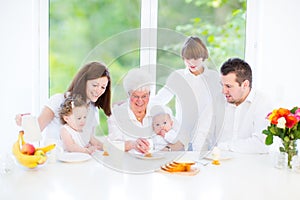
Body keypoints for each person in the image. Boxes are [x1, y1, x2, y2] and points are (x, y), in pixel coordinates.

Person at [15, 61, 112, 148]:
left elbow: (89, 140)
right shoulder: (58, 100)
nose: (99, 90)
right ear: (83, 82)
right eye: (95, 85)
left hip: (80, 160)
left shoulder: (93, 109)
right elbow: (36, 130)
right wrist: (23, 123)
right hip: (55, 160)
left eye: (103, 87)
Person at [154, 36, 221, 152]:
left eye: (195, 58)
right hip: (181, 139)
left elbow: (221, 106)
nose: (191, 62)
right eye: (187, 58)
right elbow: (159, 100)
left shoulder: (214, 78)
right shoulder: (178, 77)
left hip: (207, 138)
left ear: (203, 56)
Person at [216, 58, 272, 153]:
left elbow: (262, 143)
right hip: (218, 162)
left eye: (228, 86)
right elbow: (203, 133)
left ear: (245, 85)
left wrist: (223, 147)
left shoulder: (262, 102)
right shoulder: (219, 100)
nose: (223, 91)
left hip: (249, 165)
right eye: (222, 85)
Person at [107, 68, 156, 154]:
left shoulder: (157, 111)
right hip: (127, 164)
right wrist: (132, 145)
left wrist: (166, 149)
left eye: (144, 96)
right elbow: (111, 146)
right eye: (136, 96)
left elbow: (177, 140)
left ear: (149, 94)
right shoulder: (117, 115)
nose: (140, 101)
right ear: (128, 94)